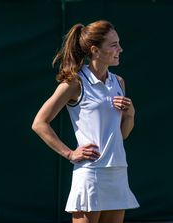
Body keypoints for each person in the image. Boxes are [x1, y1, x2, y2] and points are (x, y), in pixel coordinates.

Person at [32, 20, 139, 223]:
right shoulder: (74, 83)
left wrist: (130, 114)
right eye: (113, 44)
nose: (120, 49)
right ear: (95, 50)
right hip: (91, 173)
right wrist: (70, 153)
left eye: (119, 43)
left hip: (118, 171)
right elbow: (39, 122)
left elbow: (122, 134)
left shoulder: (119, 82)